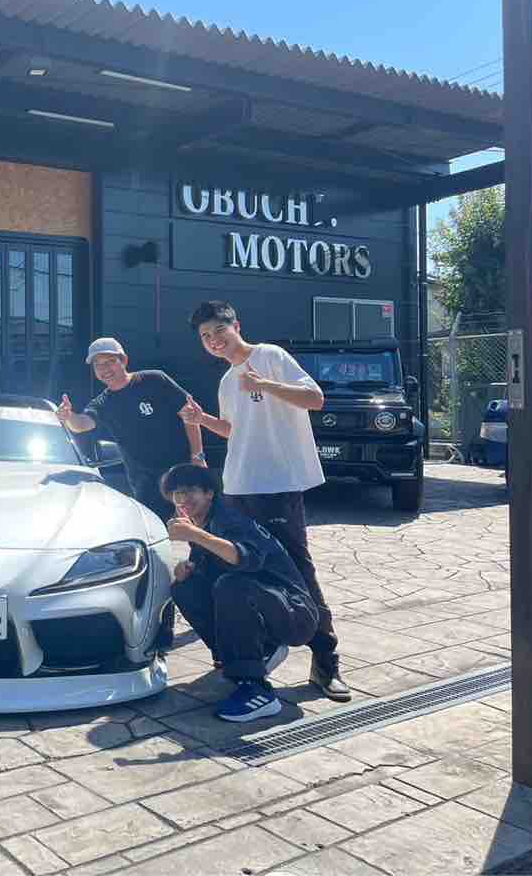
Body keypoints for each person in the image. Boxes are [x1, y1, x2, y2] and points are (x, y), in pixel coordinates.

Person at [180, 300, 350, 702]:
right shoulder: (227, 381)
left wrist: (267, 385)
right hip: (237, 488)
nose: (214, 341)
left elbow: (315, 398)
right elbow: (233, 429)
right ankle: (249, 656)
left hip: (277, 486)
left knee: (298, 573)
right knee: (233, 570)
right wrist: (202, 421)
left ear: (236, 325)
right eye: (205, 337)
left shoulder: (270, 356)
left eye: (219, 331)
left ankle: (326, 661)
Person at [162, 464, 318, 722]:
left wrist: (196, 535)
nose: (182, 499)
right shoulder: (204, 524)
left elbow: (245, 558)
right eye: (176, 493)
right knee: (185, 588)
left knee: (231, 586)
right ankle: (242, 657)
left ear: (209, 493)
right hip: (266, 605)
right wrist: (187, 570)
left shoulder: (230, 520)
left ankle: (257, 690)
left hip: (295, 613)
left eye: (189, 491)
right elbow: (206, 571)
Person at [56, 336, 206, 521]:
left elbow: (190, 415)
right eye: (98, 365)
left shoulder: (154, 379)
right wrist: (68, 416)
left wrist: (198, 457)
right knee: (157, 533)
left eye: (110, 362)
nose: (105, 369)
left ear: (124, 360)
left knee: (195, 527)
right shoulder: (103, 403)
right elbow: (81, 425)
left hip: (181, 476)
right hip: (145, 487)